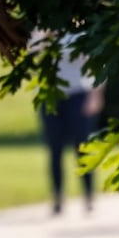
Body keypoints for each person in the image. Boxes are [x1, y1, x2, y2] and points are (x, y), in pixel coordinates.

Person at [39, 35, 105, 215]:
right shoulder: (41, 29)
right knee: (54, 149)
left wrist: (96, 95)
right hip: (51, 95)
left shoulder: (82, 31)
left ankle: (88, 195)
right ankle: (58, 197)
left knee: (82, 147)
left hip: (78, 93)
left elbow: (97, 63)